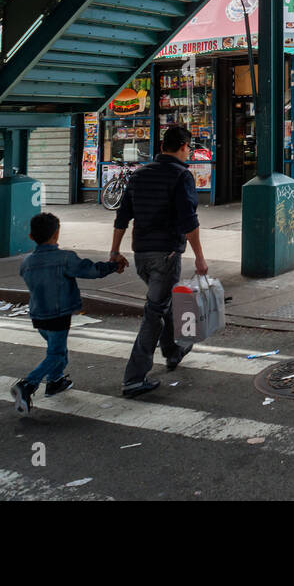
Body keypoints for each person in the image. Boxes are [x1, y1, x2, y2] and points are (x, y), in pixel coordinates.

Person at [112, 125, 207, 398]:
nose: (189, 152)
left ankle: (173, 351)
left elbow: (122, 217)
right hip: (165, 255)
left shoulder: (140, 174)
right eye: (189, 147)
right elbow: (189, 221)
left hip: (140, 253)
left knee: (162, 303)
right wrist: (200, 257)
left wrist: (114, 252)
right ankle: (134, 377)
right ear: (182, 147)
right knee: (154, 313)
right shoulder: (181, 176)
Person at [13, 212, 125, 414]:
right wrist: (113, 266)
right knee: (56, 354)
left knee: (57, 350)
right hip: (59, 315)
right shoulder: (65, 259)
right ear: (56, 234)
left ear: (31, 236)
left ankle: (55, 381)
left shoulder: (26, 263)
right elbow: (91, 271)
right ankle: (28, 384)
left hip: (38, 315)